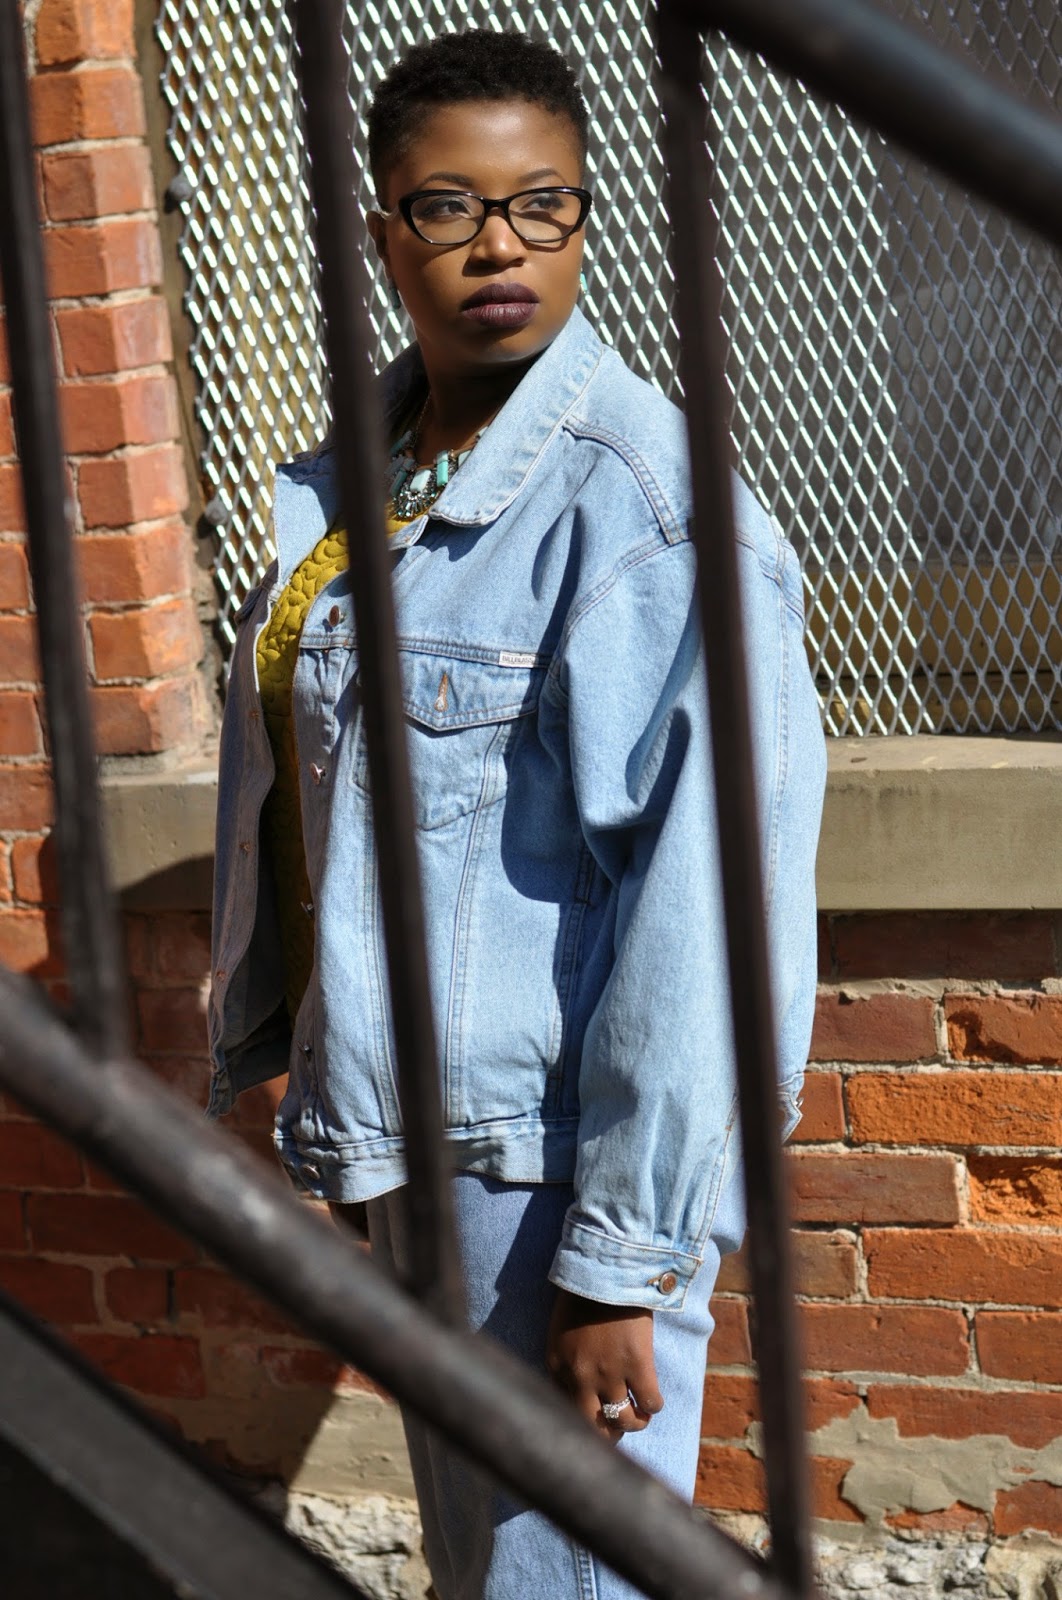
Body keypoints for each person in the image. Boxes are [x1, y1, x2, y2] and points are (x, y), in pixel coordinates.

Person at [207, 28, 825, 1600]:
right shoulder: (366, 477)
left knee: (558, 1579)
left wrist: (618, 1265)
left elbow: (713, 913)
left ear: (584, 217)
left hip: (548, 1169)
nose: (500, 246)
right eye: (449, 207)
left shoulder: (647, 509)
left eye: (543, 204)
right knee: (492, 1567)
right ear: (381, 234)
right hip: (423, 1143)